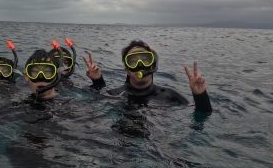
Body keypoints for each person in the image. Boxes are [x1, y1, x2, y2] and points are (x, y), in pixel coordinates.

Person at [83, 39, 212, 113]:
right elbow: (93, 105)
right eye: (133, 60)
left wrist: (200, 95)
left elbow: (203, 116)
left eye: (145, 59)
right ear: (127, 69)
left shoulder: (170, 96)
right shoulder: (115, 94)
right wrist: (98, 82)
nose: (140, 64)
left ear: (153, 64)